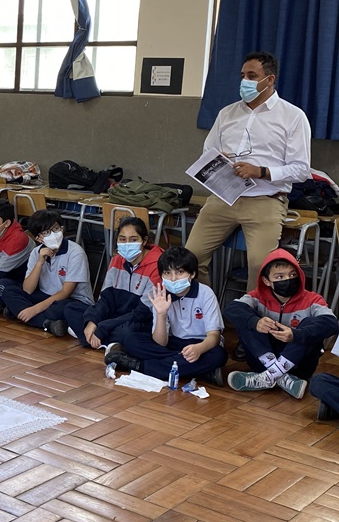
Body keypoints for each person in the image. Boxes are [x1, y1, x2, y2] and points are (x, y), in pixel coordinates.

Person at [186, 51, 311, 291]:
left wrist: (260, 171)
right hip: (224, 197)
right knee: (190, 258)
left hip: (266, 200)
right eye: (243, 75)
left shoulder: (293, 116)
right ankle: (206, 310)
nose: (245, 81)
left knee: (260, 267)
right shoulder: (227, 113)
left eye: (252, 76)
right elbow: (208, 152)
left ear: (269, 79)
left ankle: (250, 313)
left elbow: (301, 170)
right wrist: (219, 161)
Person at [224, 249, 339, 399]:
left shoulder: (312, 299)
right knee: (247, 319)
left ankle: (268, 377)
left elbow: (331, 322)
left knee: (311, 324)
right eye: (280, 276)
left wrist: (296, 334)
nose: (288, 279)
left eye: (292, 275)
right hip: (262, 362)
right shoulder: (257, 296)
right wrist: (256, 322)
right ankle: (280, 377)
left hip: (299, 365)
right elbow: (231, 309)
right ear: (267, 281)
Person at [115, 247, 227, 385]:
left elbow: (214, 336)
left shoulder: (205, 293)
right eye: (167, 273)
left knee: (218, 355)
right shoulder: (161, 294)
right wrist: (161, 314)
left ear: (192, 274)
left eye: (180, 272)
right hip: (172, 343)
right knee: (132, 340)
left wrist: (199, 349)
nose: (173, 279)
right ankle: (199, 371)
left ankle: (140, 366)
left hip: (200, 343)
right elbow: (160, 343)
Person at [65, 217, 163, 352]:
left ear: (144, 240)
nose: (127, 244)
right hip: (114, 317)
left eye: (133, 239)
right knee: (71, 309)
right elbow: (106, 298)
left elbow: (143, 312)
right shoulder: (117, 260)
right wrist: (92, 321)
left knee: (128, 332)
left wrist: (103, 327)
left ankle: (92, 338)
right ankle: (108, 344)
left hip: (136, 320)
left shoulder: (158, 265)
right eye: (122, 239)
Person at [0, 209, 94, 337]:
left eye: (56, 229)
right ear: (38, 238)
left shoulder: (76, 252)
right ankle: (48, 324)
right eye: (46, 232)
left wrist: (34, 310)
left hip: (73, 301)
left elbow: (66, 292)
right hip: (46, 296)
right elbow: (27, 289)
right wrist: (39, 262)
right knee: (9, 291)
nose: (53, 234)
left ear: (62, 229)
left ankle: (18, 312)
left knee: (58, 310)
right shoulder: (36, 252)